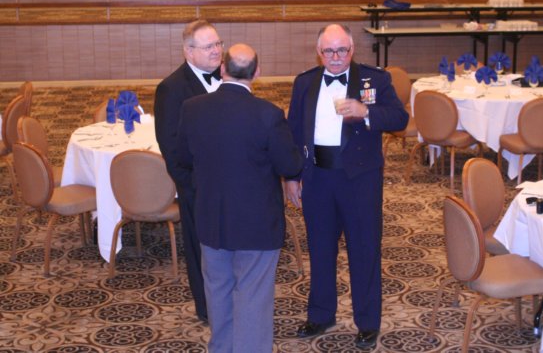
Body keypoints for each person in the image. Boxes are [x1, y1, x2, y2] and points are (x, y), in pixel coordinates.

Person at [285, 23, 409, 349]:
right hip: (317, 178)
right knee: (320, 248)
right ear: (319, 52)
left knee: (364, 250)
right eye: (329, 51)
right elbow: (294, 132)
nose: (336, 57)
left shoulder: (374, 79)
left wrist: (366, 112)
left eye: (342, 50)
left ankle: (367, 322)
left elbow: (400, 119)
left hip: (360, 180)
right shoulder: (304, 82)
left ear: (352, 49)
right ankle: (321, 314)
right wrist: (292, 177)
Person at [177, 43, 304, 353]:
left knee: (218, 292)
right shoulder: (268, 114)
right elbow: (289, 166)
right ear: (257, 73)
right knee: (253, 298)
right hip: (256, 225)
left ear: (223, 69)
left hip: (211, 218)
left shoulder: (192, 108)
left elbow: (182, 157)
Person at [154, 19, 224, 323]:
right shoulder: (171, 89)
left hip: (233, 183)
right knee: (200, 250)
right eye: (208, 46)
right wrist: (191, 186)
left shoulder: (229, 76)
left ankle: (231, 300)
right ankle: (207, 309)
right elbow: (170, 147)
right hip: (198, 187)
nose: (216, 51)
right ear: (189, 51)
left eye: (218, 44)